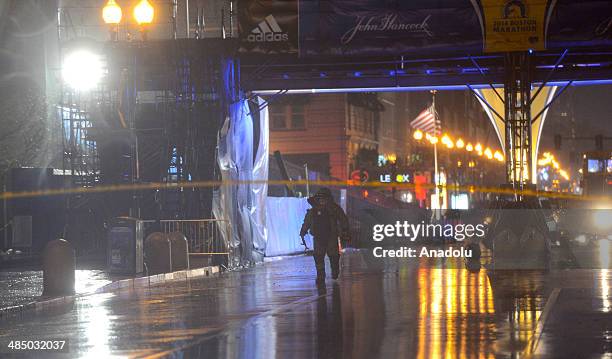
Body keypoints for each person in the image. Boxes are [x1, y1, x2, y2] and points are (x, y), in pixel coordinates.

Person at [300, 188, 350, 283]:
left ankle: (330, 273)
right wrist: (303, 231)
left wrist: (345, 230)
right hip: (322, 237)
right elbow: (343, 219)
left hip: (328, 237)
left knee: (330, 256)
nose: (322, 201)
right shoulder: (319, 210)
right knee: (322, 256)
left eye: (323, 199)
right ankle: (323, 274)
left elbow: (343, 219)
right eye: (320, 199)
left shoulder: (331, 209)